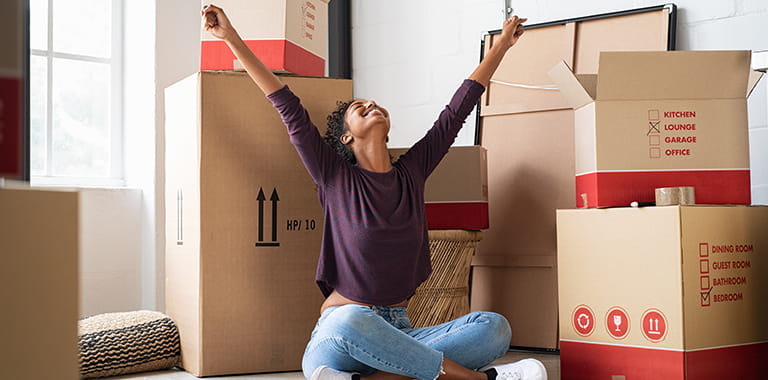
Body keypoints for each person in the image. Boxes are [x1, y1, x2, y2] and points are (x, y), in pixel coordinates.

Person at [201, 5, 546, 380]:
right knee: (351, 319)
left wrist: (501, 47)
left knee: (494, 327)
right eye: (358, 108)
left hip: (400, 332)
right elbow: (287, 106)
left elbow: (457, 110)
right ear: (346, 138)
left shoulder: (412, 174)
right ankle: (479, 379)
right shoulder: (334, 177)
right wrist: (230, 37)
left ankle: (383, 375)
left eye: (374, 104)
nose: (369, 104)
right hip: (341, 335)